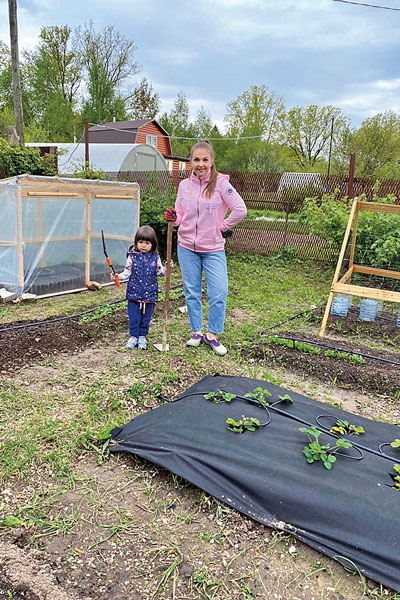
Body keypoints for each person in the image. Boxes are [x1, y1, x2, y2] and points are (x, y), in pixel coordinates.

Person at [165, 139, 247, 356]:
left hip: (213, 248)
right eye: (196, 159)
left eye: (205, 159)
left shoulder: (221, 183)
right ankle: (196, 332)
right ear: (190, 162)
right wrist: (174, 218)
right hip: (186, 247)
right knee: (191, 291)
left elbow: (240, 209)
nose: (200, 164)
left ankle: (212, 335)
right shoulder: (184, 186)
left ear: (211, 161)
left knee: (218, 291)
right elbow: (180, 214)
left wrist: (222, 227)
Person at [114, 225, 171, 350]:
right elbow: (126, 273)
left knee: (146, 317)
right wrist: (118, 277)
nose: (143, 245)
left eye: (147, 242)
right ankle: (133, 336)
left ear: (153, 244)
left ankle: (142, 337)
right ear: (136, 242)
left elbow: (159, 273)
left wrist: (166, 269)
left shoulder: (155, 258)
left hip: (150, 294)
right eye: (140, 242)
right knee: (134, 317)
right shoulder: (132, 257)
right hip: (134, 294)